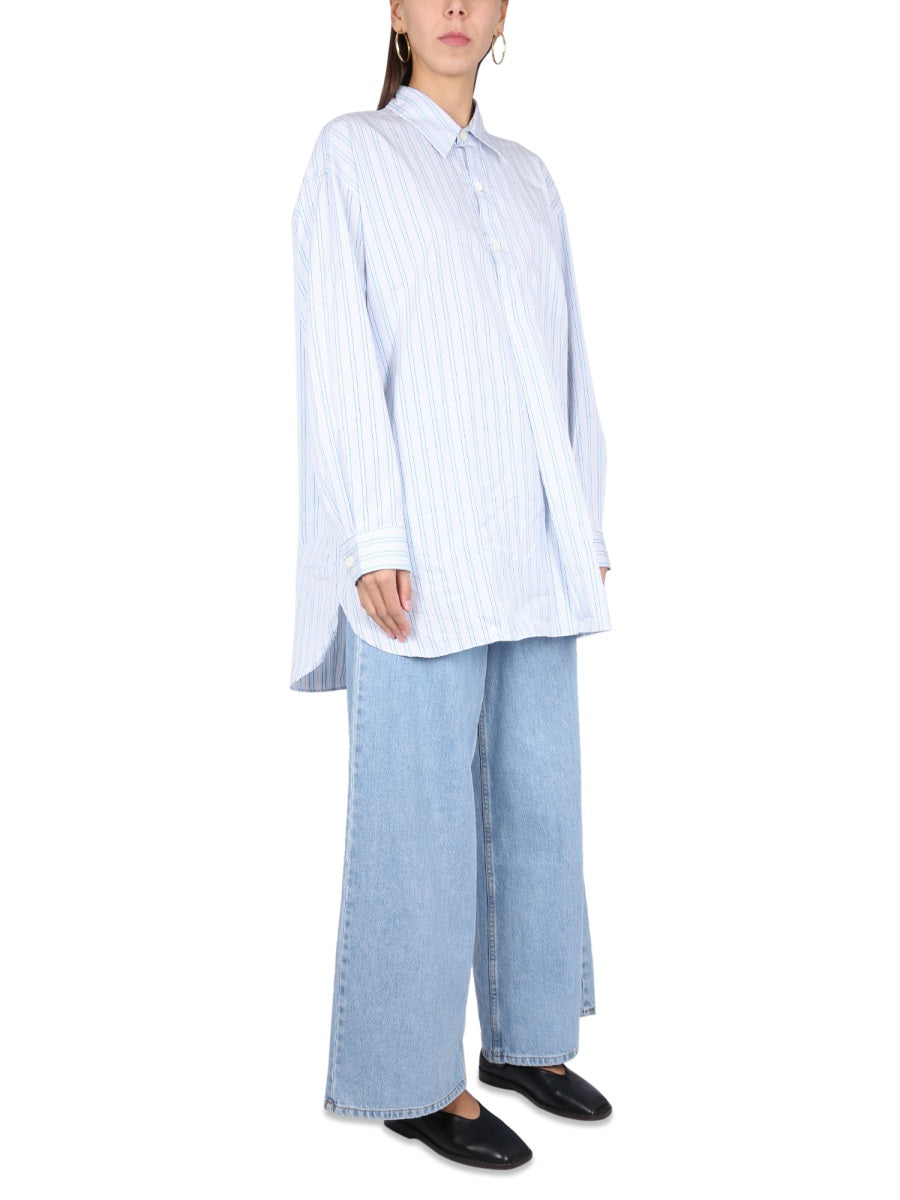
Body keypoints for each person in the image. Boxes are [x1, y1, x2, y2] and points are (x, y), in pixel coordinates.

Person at [289, 1, 614, 1170]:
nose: (457, 9)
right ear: (395, 10)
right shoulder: (355, 153)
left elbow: (568, 357)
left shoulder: (529, 176)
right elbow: (337, 345)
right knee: (417, 816)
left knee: (539, 796)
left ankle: (527, 1037)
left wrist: (584, 515)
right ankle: (408, 1075)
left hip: (530, 538)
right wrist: (371, 533)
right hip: (417, 549)